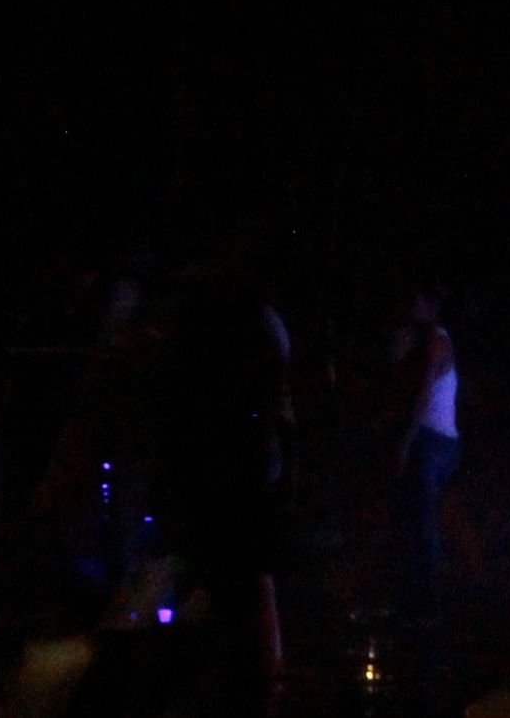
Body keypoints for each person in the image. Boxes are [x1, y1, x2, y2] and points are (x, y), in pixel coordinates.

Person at [156, 237, 296, 713]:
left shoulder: (251, 326)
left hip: (244, 461)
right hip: (242, 460)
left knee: (247, 570)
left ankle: (260, 675)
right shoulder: (255, 325)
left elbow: (269, 397)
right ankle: (253, 673)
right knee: (243, 570)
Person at [390, 285, 460, 625]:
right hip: (434, 441)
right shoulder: (422, 341)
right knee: (418, 516)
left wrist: (404, 445)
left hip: (433, 442)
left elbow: (420, 398)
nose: (409, 307)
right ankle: (419, 595)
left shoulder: (435, 341)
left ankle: (429, 601)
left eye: (415, 301)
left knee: (422, 519)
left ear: (430, 305)